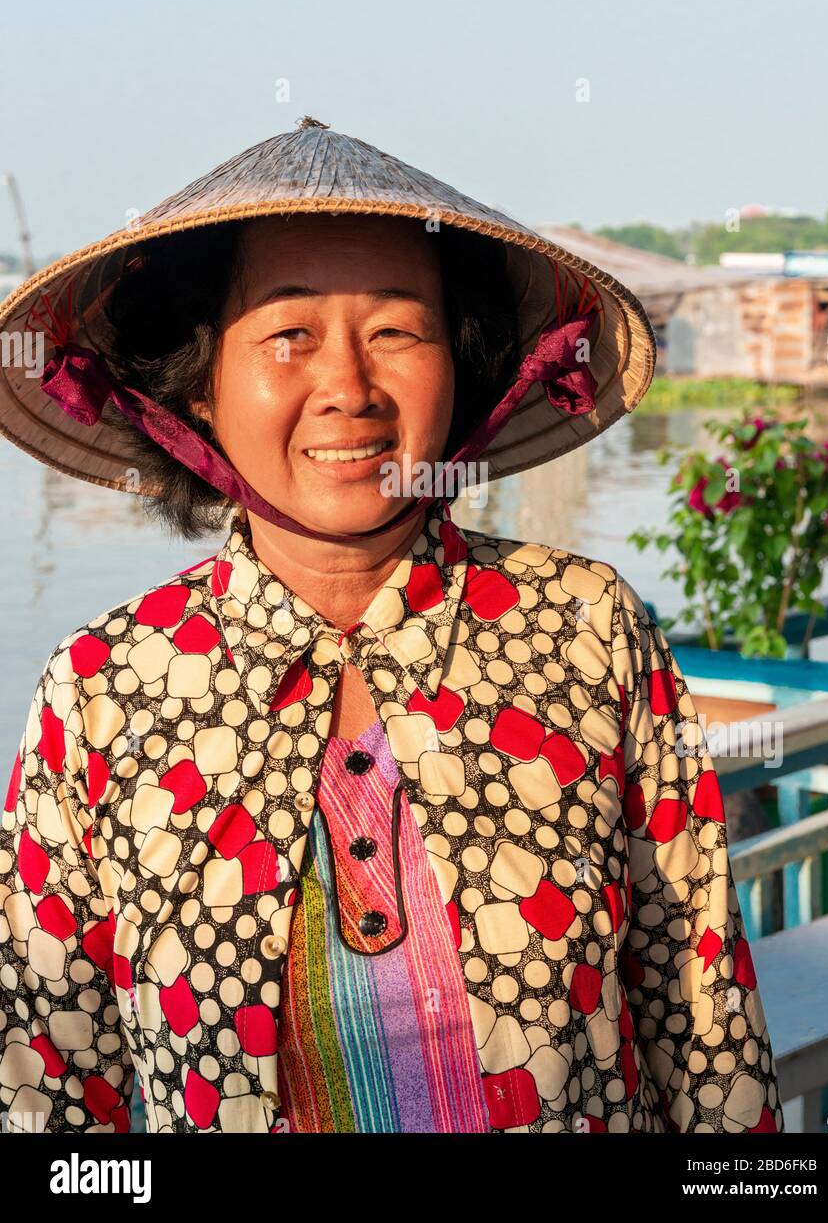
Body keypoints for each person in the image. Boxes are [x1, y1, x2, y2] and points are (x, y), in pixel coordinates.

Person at [0, 118, 784, 1133]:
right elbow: (50, 1083)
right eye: (289, 335)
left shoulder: (589, 632)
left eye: (397, 331)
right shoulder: (104, 688)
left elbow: (704, 1017)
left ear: (460, 365)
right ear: (199, 387)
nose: (350, 389)